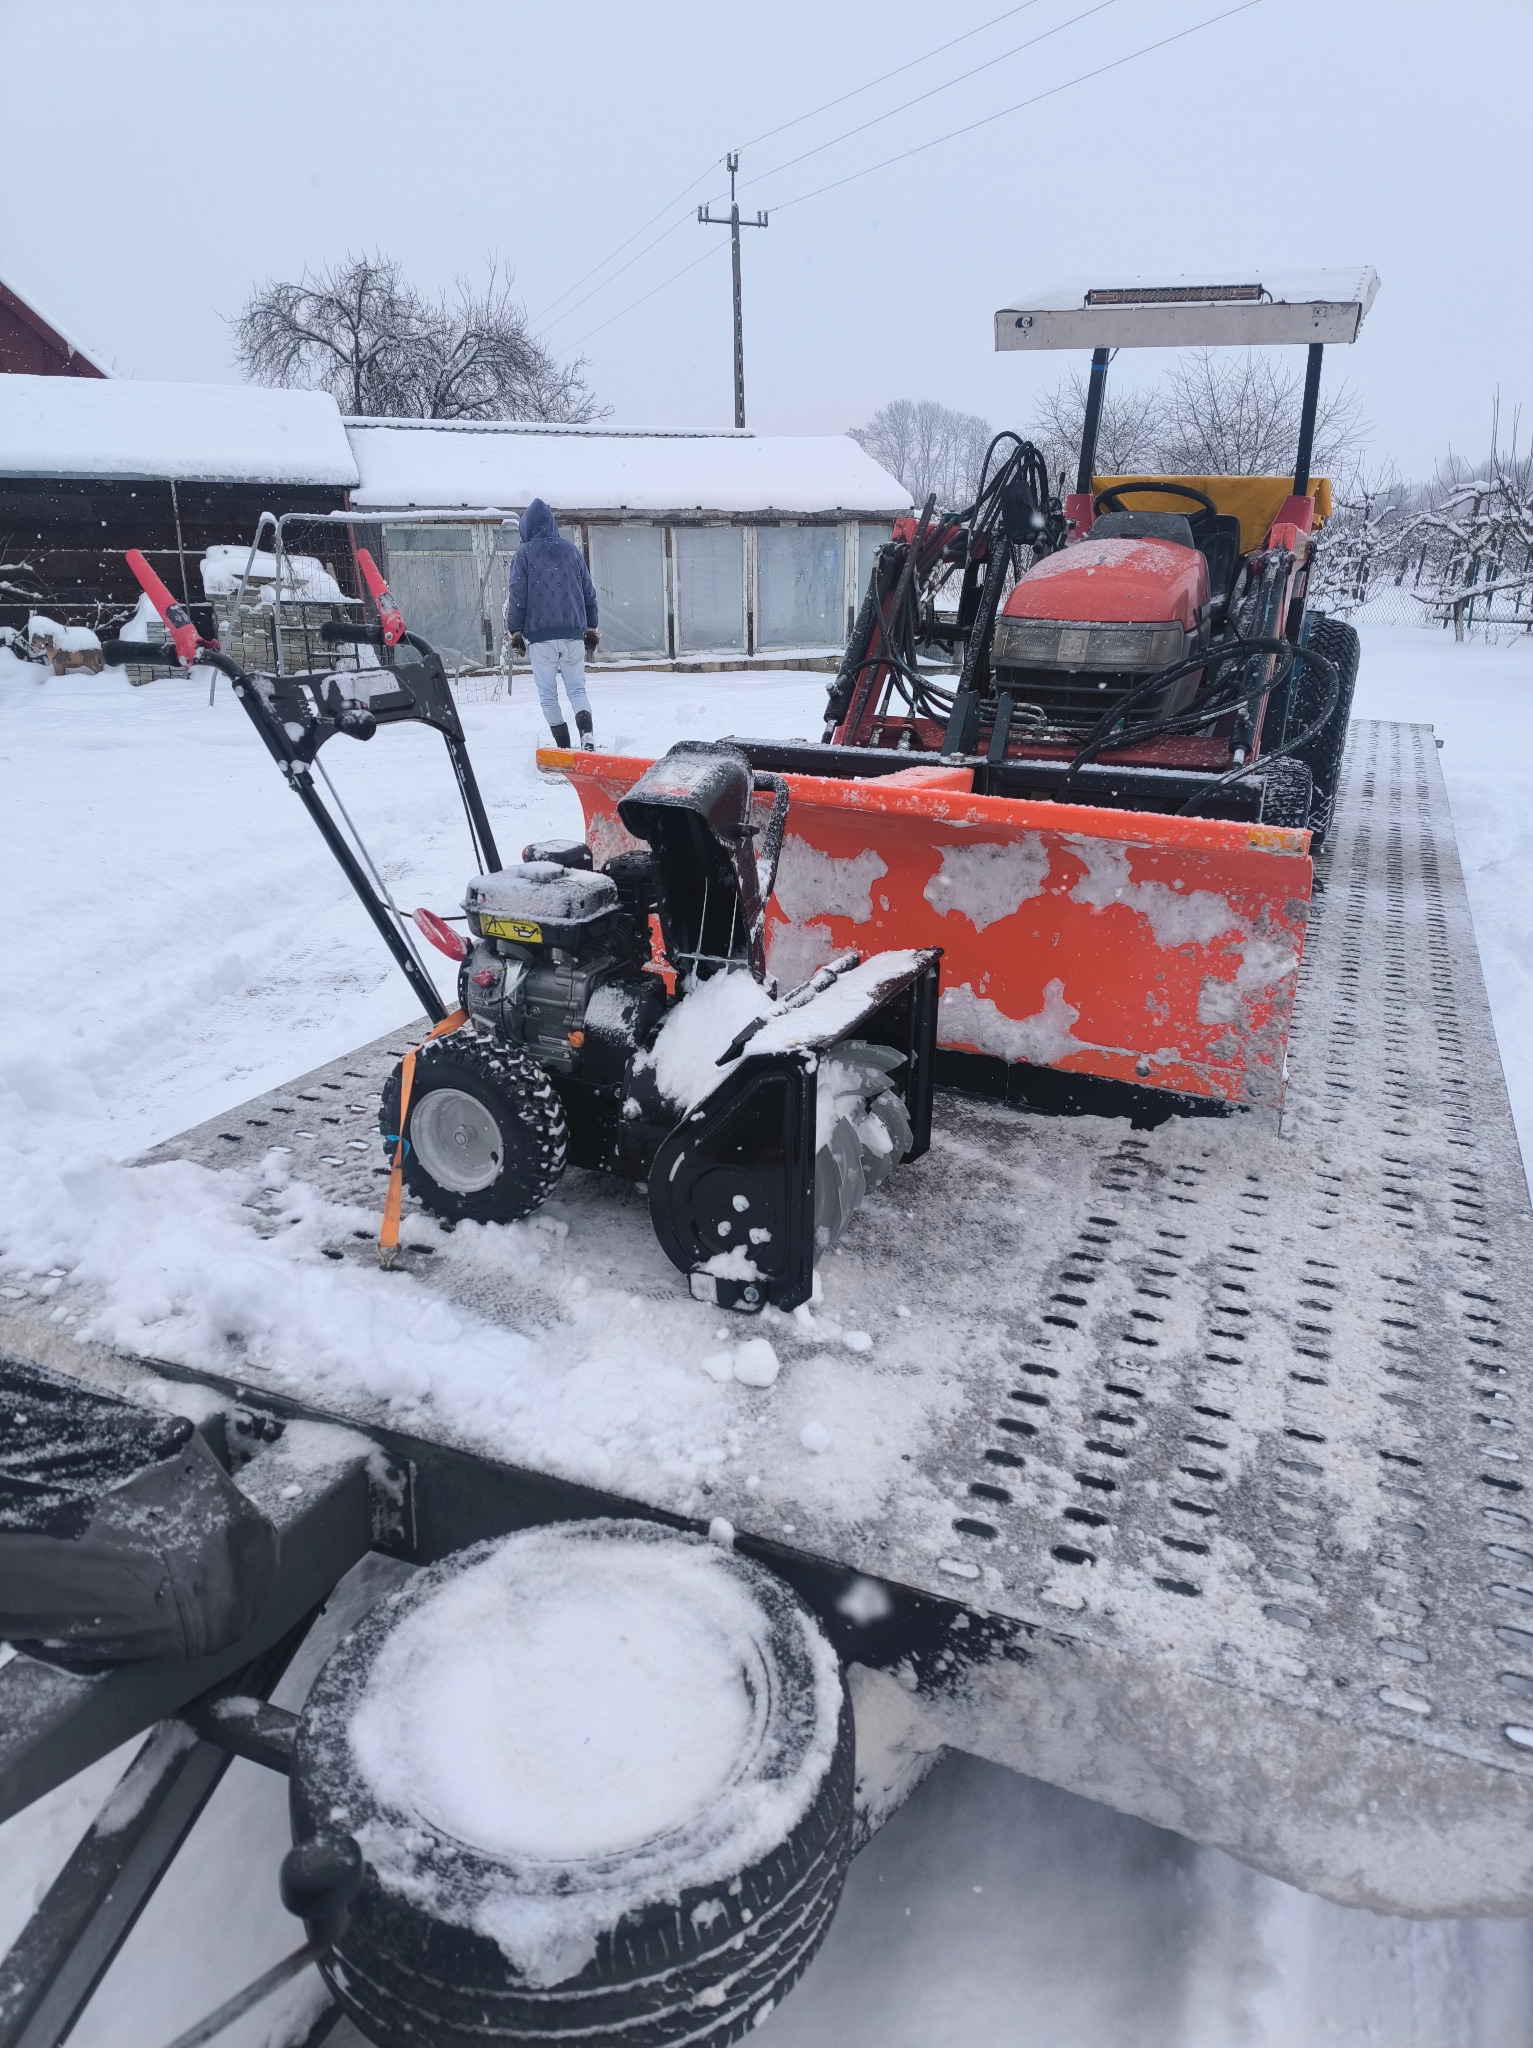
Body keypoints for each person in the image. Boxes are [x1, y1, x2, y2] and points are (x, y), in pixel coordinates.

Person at [504, 498, 600, 749]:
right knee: (577, 690)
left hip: (540, 637)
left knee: (548, 695)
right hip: (572, 634)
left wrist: (514, 631)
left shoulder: (523, 554)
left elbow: (517, 596)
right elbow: (588, 592)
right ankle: (587, 737)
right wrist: (591, 627)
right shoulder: (570, 550)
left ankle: (565, 748)